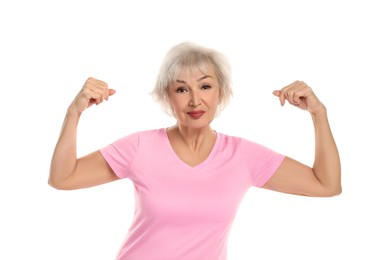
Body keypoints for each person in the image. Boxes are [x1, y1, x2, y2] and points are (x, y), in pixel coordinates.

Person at [48, 42, 342, 259]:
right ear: (168, 96)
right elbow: (63, 178)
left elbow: (326, 185)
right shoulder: (140, 147)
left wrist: (319, 113)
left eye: (204, 87)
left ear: (220, 93)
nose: (194, 101)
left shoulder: (243, 156)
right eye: (181, 89)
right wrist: (74, 113)